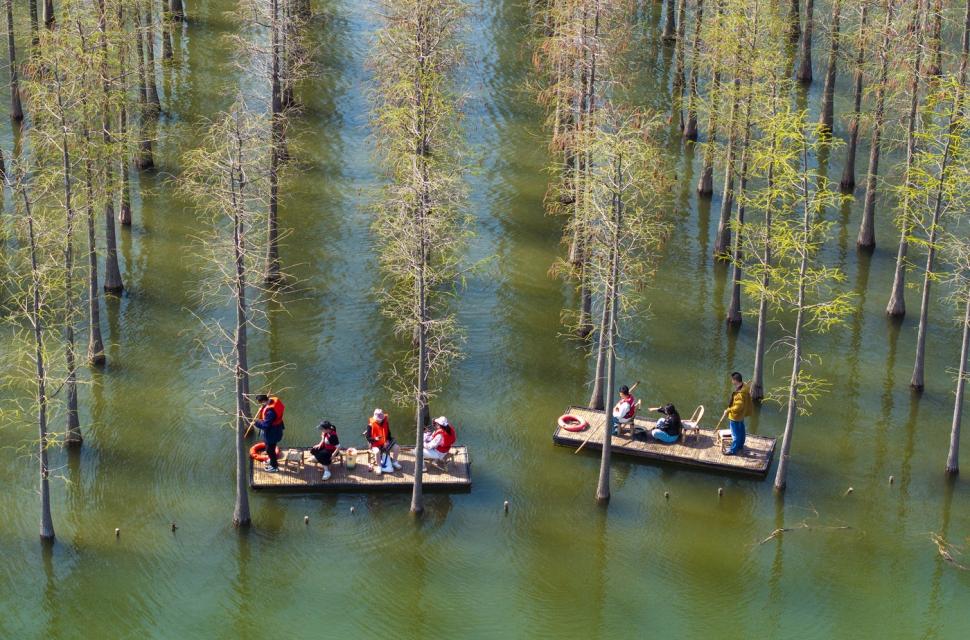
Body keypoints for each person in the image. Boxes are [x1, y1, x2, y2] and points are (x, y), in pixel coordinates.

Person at [722, 371, 753, 455]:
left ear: (736, 380)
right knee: (741, 432)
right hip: (741, 415)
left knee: (735, 434)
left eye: (732, 380)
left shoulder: (740, 394)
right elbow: (746, 385)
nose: (732, 381)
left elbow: (738, 407)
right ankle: (740, 446)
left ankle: (732, 450)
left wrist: (728, 410)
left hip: (735, 416)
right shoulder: (745, 387)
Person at [254, 394, 285, 472]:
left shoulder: (271, 412)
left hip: (273, 432)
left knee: (270, 450)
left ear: (264, 401)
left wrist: (256, 423)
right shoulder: (271, 401)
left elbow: (265, 426)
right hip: (277, 429)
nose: (261, 405)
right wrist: (264, 407)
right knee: (270, 448)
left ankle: (274, 467)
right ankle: (272, 460)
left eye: (261, 403)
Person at [365, 409, 401, 475]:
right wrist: (375, 439)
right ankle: (379, 466)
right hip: (375, 444)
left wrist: (387, 440)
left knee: (397, 447)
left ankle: (394, 461)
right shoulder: (370, 426)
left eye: (381, 419)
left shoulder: (385, 423)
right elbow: (368, 438)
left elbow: (389, 434)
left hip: (385, 443)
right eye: (379, 419)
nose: (380, 420)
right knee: (377, 451)